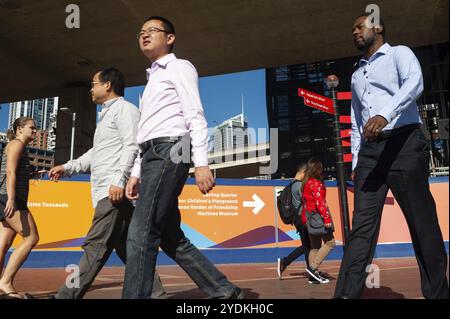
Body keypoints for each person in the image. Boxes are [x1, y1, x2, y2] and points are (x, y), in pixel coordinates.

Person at [122, 16, 243, 299]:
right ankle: (224, 291)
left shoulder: (179, 67)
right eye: (141, 32)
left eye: (152, 30)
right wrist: (137, 173)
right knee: (168, 236)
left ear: (170, 38)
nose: (145, 35)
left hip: (171, 151)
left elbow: (195, 115)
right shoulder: (152, 77)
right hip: (152, 153)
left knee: (141, 233)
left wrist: (201, 163)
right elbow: (145, 131)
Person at [334, 14, 449, 299]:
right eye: (352, 30)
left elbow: (415, 83)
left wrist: (386, 114)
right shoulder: (356, 74)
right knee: (361, 227)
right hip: (371, 156)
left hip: (405, 143)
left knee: (421, 223)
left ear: (379, 28)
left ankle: (437, 294)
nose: (355, 32)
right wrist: (358, 159)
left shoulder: (399, 54)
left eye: (360, 27)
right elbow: (357, 120)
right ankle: (345, 295)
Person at [48, 67, 166, 299]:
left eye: (94, 84)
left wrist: (119, 181)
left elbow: (133, 146)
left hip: (112, 193)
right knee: (131, 252)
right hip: (108, 192)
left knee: (94, 247)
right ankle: (157, 295)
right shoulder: (106, 117)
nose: (91, 88)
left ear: (107, 85)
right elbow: (95, 154)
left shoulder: (125, 110)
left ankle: (63, 297)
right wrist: (67, 167)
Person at [0, 117, 40, 299]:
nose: (35, 131)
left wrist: (33, 172)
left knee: (3, 243)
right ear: (19, 129)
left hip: (7, 198)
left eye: (36, 128)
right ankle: (5, 281)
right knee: (31, 237)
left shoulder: (19, 147)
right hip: (11, 199)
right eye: (31, 128)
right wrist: (11, 199)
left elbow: (16, 171)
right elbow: (10, 171)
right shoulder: (16, 145)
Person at [300, 158, 336, 284]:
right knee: (331, 242)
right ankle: (313, 268)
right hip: (318, 217)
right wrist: (326, 218)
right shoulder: (315, 183)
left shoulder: (305, 183)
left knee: (314, 246)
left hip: (309, 218)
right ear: (317, 169)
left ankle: (312, 276)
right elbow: (320, 202)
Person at [277, 163, 311, 280]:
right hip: (302, 219)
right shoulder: (299, 186)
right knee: (308, 245)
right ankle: (311, 271)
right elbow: (308, 200)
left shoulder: (291, 185)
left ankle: (310, 270)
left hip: (297, 220)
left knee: (307, 245)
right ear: (303, 173)